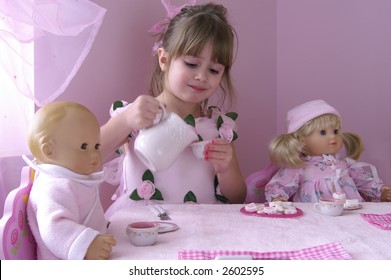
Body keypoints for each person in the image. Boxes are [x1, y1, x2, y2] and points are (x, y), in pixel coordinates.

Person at [101, 1, 246, 218]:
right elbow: (86, 156)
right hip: (144, 226)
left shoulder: (219, 127)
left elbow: (237, 198)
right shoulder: (137, 114)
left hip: (203, 229)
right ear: (164, 59)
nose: (202, 76)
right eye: (191, 64)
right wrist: (125, 121)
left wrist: (226, 169)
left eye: (214, 70)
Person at [25, 101, 116, 260]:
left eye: (96, 146)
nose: (95, 154)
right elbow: (54, 227)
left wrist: (98, 223)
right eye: (83, 146)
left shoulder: (71, 178)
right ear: (49, 151)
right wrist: (87, 245)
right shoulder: (54, 186)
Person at [264, 99, 391, 203]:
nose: (333, 136)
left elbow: (363, 181)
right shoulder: (299, 167)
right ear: (302, 140)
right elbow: (280, 185)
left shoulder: (345, 164)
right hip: (314, 217)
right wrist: (278, 198)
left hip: (350, 216)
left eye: (336, 131)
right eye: (323, 132)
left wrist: (382, 191)